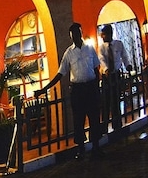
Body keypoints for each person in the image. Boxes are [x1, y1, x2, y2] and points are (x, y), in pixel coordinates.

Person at [36, 22, 103, 160]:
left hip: (90, 87)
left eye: (78, 33)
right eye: (73, 35)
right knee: (78, 120)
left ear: (81, 33)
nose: (76, 37)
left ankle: (96, 147)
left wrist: (97, 87)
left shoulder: (90, 49)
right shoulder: (69, 53)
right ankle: (81, 149)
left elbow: (96, 69)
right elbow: (60, 73)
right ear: (70, 36)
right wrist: (44, 89)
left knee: (94, 118)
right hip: (78, 90)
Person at [99, 24, 126, 133]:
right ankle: (104, 126)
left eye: (104, 34)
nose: (102, 37)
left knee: (116, 99)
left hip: (116, 74)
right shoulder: (102, 47)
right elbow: (101, 59)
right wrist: (106, 69)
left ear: (109, 34)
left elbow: (124, 56)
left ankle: (117, 123)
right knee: (106, 102)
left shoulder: (118, 44)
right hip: (106, 77)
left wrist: (128, 65)